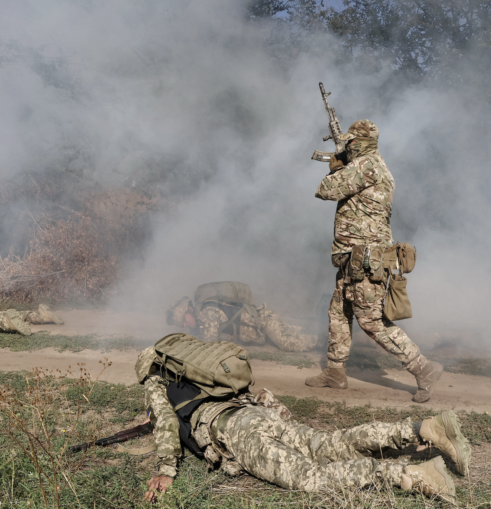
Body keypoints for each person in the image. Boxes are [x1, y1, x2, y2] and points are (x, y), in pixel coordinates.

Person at [135, 344, 471, 503]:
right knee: (328, 444)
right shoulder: (198, 364)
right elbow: (258, 393)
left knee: (311, 477)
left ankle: (408, 475)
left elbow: (165, 423)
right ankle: (423, 428)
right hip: (258, 413)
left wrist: (166, 468)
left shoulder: (158, 382)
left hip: (235, 430)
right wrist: (284, 426)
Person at [305, 120, 443, 402]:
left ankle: (423, 368)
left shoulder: (366, 165)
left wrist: (337, 166)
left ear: (357, 144)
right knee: (339, 312)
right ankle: (335, 372)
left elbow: (326, 190)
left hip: (365, 260)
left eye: (349, 143)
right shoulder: (373, 164)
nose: (347, 147)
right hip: (353, 258)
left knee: (373, 321)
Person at [166, 281, 318, 352]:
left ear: (190, 309)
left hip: (264, 323)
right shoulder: (203, 315)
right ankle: (319, 330)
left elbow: (208, 345)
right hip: (263, 324)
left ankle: (324, 342)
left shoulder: (207, 314)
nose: (185, 325)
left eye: (184, 320)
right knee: (294, 331)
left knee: (288, 344)